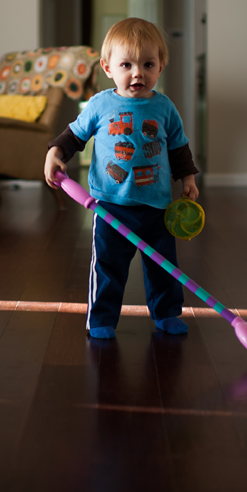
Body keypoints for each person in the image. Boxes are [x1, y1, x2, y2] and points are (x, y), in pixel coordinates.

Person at [44, 18, 199, 340]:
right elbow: (74, 135)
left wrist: (187, 179)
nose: (137, 72)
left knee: (163, 266)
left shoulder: (164, 108)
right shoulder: (100, 105)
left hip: (157, 205)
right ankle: (101, 318)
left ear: (161, 67)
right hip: (111, 206)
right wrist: (55, 152)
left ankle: (167, 313)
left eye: (148, 64)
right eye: (126, 64)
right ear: (107, 67)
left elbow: (179, 146)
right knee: (109, 268)